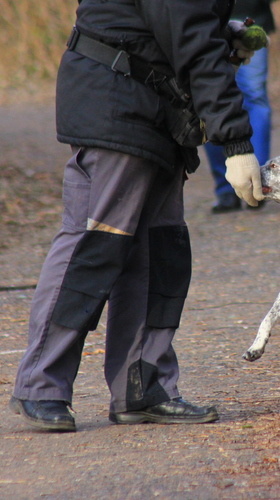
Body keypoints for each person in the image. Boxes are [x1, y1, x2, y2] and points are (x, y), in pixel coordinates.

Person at [9, 0, 264, 432]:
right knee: (94, 246)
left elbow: (177, 27)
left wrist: (223, 37)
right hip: (118, 103)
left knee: (159, 251)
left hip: (154, 110)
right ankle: (41, 385)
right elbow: (191, 41)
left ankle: (141, 387)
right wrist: (235, 143)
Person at [205, 0, 275, 213]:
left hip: (251, 20)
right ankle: (226, 187)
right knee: (209, 99)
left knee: (254, 98)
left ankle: (257, 181)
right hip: (205, 25)